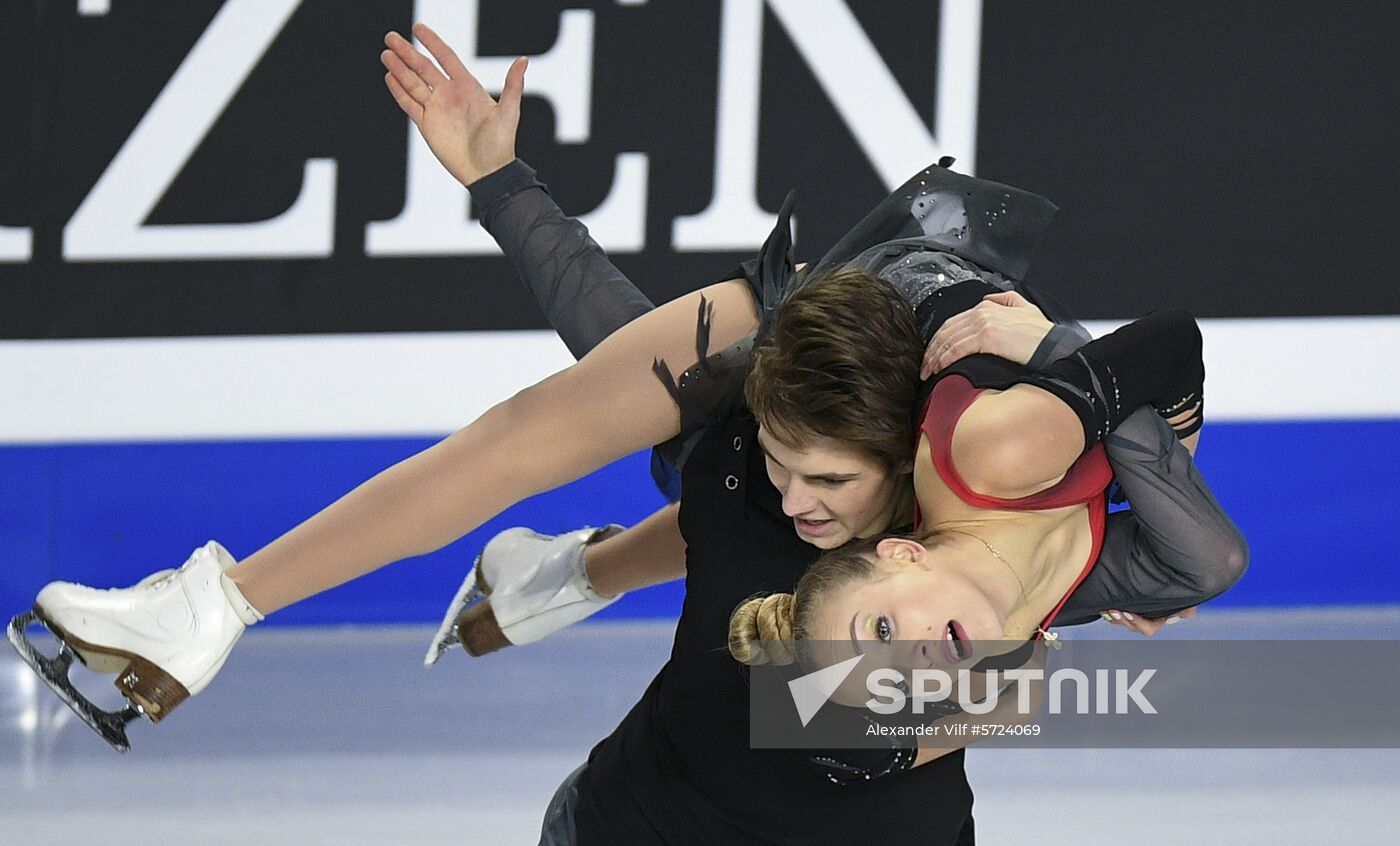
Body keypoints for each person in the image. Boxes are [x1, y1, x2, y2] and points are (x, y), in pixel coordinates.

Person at [9, 23, 1246, 845]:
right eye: (782, 461)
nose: (799, 492)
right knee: (708, 480)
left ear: (904, 514)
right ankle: (229, 603)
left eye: (826, 482)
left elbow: (1157, 443)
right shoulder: (766, 411)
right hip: (648, 813)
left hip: (886, 779)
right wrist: (503, 187)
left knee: (764, 545)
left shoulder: (965, 498)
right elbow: (537, 422)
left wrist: (1138, 491)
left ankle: (568, 570)